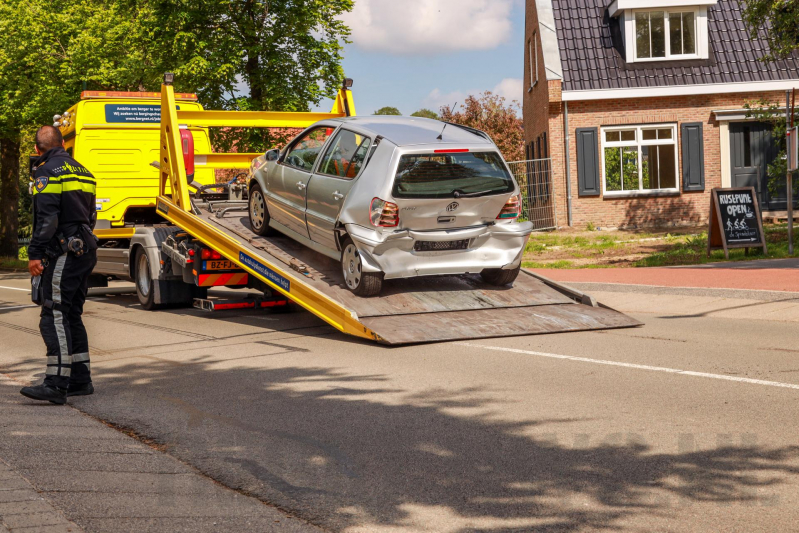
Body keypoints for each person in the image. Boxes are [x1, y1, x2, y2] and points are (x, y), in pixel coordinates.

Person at [20, 126, 98, 405]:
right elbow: (91, 216)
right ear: (63, 143)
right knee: (72, 313)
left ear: (37, 149)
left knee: (53, 314)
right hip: (85, 249)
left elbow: (47, 218)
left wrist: (35, 253)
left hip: (65, 251)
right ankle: (80, 379)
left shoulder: (46, 172)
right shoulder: (84, 171)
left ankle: (56, 384)